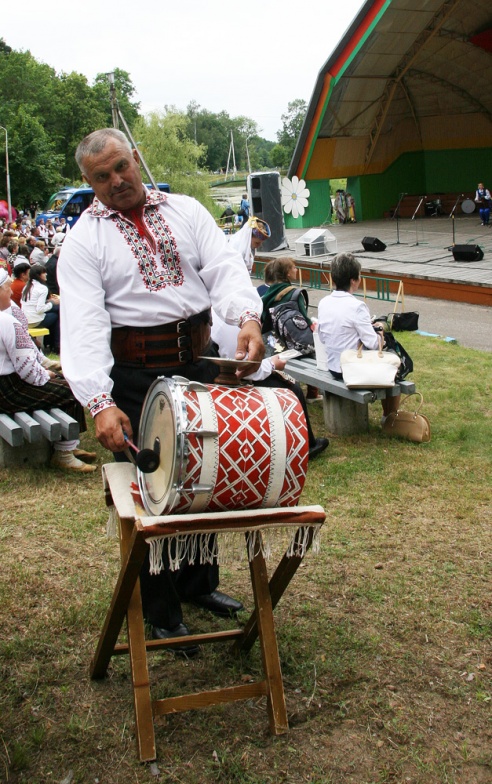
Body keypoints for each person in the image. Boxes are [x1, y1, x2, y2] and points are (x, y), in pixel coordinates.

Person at [58, 127, 264, 653]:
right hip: (134, 378)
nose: (116, 180)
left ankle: (198, 584)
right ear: (89, 182)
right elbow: (82, 324)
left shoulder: (186, 210)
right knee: (152, 494)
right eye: (101, 177)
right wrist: (99, 402)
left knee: (204, 477)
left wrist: (246, 317)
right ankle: (161, 611)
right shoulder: (83, 240)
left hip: (197, 364)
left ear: (136, 158)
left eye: (121, 167)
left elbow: (224, 268)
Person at [0, 270, 96, 473]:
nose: (10, 292)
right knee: (72, 390)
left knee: (63, 383)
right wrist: (46, 374)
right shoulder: (7, 321)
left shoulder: (8, 318)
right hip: (8, 390)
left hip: (6, 387)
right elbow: (27, 369)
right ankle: (64, 453)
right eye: (7, 287)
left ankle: (70, 445)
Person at [210, 311, 328, 460]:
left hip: (221, 377)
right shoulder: (227, 322)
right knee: (293, 389)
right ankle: (306, 446)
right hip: (232, 382)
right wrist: (272, 364)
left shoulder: (216, 315)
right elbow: (243, 367)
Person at [317, 252, 400, 420]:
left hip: (333, 366)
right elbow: (374, 344)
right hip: (352, 369)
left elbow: (323, 337)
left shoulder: (323, 302)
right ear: (353, 281)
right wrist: (380, 332)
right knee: (395, 364)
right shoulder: (357, 306)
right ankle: (388, 417)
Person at [261, 257, 321, 401]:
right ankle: (312, 393)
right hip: (294, 347)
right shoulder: (294, 293)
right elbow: (305, 320)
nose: (296, 270)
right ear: (287, 273)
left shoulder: (267, 295)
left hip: (273, 346)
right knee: (313, 348)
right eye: (294, 267)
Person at [21, 264, 60, 353]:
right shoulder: (43, 288)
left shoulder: (27, 286)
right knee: (57, 314)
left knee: (56, 310)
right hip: (35, 321)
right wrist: (52, 303)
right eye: (44, 273)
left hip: (26, 319)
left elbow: (32, 304)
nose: (46, 274)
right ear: (39, 275)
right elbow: (40, 309)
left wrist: (48, 302)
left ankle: (49, 343)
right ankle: (56, 345)